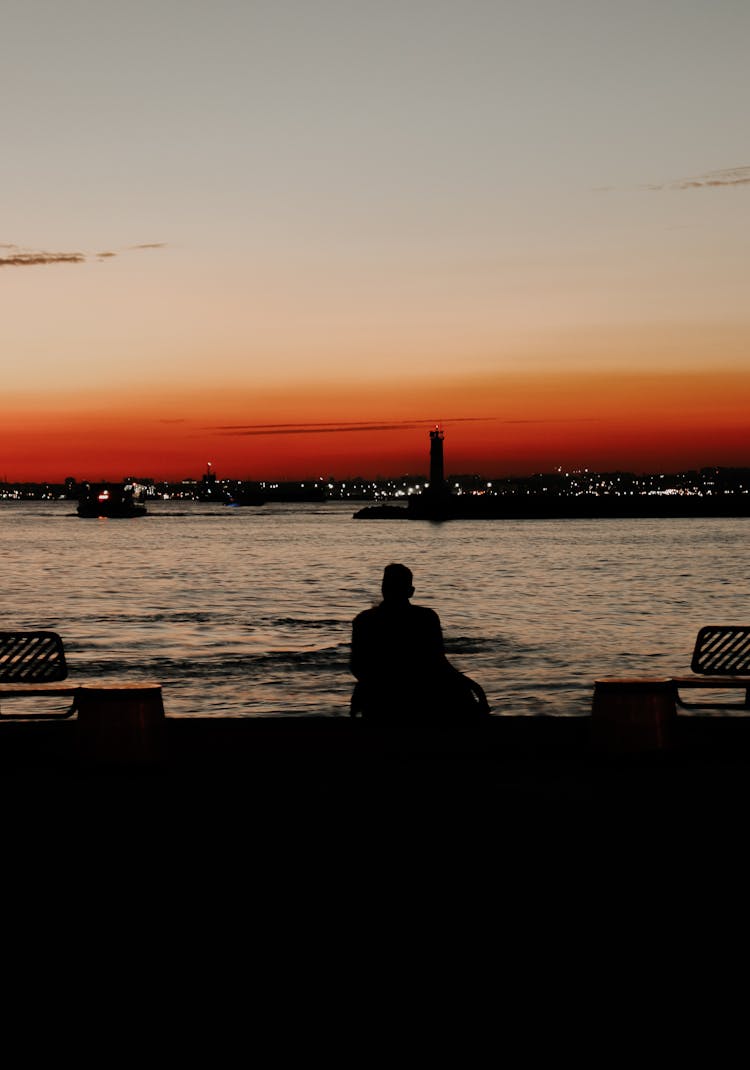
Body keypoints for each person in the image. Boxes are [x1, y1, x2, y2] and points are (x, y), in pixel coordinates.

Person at [350, 563, 490, 723]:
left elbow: (357, 668)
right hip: (411, 695)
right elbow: (440, 663)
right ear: (410, 591)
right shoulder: (425, 617)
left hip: (381, 698)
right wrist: (473, 687)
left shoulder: (364, 620)